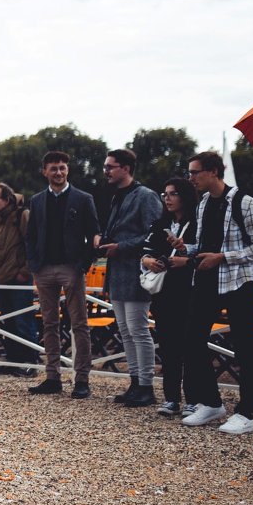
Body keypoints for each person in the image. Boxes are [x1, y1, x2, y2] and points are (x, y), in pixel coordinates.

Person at [174, 151, 253, 435]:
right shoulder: (204, 203)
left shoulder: (246, 202)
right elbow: (205, 245)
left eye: (195, 172)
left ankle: (246, 413)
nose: (190, 178)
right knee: (192, 340)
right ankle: (212, 403)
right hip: (207, 281)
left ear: (214, 172)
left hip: (241, 282)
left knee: (243, 346)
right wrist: (186, 249)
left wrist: (223, 257)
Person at [25, 151, 101, 399]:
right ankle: (52, 377)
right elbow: (31, 235)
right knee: (49, 324)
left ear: (67, 170)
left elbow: (94, 233)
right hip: (44, 268)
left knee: (79, 324)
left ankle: (82, 379)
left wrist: (82, 265)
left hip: (72, 268)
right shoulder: (37, 200)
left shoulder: (83, 198)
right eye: (54, 168)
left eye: (62, 168)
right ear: (44, 171)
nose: (58, 172)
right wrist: (34, 264)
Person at [98, 148, 164, 408]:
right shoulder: (117, 196)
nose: (105, 171)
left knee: (138, 330)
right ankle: (135, 382)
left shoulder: (145, 196)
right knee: (126, 331)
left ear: (125, 168)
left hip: (137, 272)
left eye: (110, 166)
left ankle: (146, 386)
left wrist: (120, 247)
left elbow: (155, 234)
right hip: (118, 272)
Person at [140, 177, 198, 417]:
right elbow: (145, 252)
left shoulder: (197, 222)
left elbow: (204, 251)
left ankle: (194, 399)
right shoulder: (160, 224)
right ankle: (172, 398)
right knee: (168, 346)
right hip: (164, 292)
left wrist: (185, 257)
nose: (167, 198)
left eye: (173, 194)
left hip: (189, 290)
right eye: (165, 194)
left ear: (185, 195)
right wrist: (148, 261)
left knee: (190, 346)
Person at [0, 184, 37, 376]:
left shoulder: (22, 215)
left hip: (18, 278)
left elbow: (32, 244)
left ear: (7, 199)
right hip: (0, 277)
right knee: (8, 322)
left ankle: (30, 363)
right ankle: (14, 360)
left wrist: (25, 271)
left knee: (23, 321)